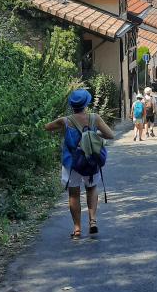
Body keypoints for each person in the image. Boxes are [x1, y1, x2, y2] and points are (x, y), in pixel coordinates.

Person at [44, 89, 114, 240]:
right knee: (91, 188)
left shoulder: (65, 121)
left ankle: (77, 229)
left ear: (72, 105)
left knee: (74, 193)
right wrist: (93, 134)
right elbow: (110, 135)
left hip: (72, 162)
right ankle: (93, 220)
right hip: (90, 160)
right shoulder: (94, 118)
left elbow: (47, 127)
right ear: (86, 104)